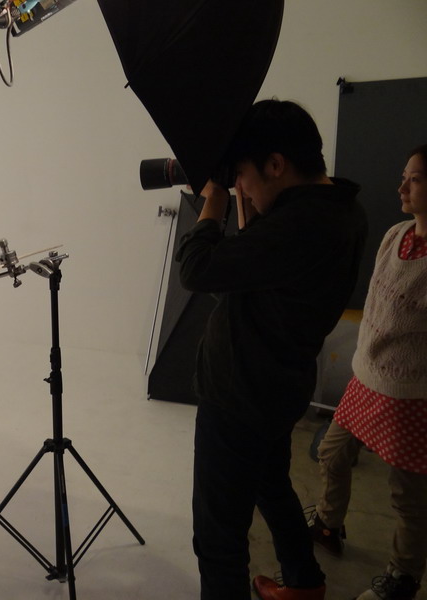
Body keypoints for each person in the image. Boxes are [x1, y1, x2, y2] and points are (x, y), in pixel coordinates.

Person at [176, 99, 368, 600]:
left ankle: (298, 583)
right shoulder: (342, 208)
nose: (241, 186)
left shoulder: (298, 226)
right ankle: (304, 581)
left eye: (242, 174)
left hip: (239, 396)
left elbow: (196, 270)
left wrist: (213, 198)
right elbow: (255, 280)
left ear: (276, 164)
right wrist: (247, 204)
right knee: (271, 484)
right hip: (280, 386)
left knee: (218, 538)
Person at [310, 145, 427, 600]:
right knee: (333, 453)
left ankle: (403, 576)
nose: (401, 187)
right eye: (404, 176)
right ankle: (327, 524)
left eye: (415, 179)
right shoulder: (395, 234)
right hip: (367, 377)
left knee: (408, 495)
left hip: (410, 394)